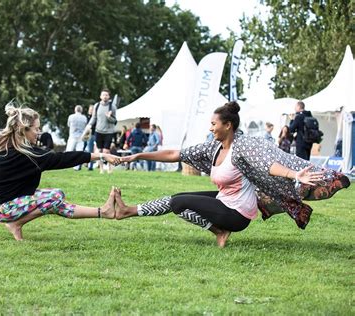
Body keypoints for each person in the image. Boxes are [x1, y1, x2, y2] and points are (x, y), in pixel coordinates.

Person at [117, 101, 350, 247]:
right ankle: (130, 210)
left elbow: (268, 164)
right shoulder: (214, 146)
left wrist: (294, 175)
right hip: (225, 202)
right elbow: (175, 154)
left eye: (213, 124)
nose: (210, 128)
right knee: (177, 199)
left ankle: (220, 230)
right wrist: (137, 156)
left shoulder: (244, 146)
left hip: (237, 214)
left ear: (228, 125)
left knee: (180, 203)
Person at [0, 104, 121, 241]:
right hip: (1, 208)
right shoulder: (29, 155)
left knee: (56, 198)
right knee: (54, 197)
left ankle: (102, 212)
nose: (39, 133)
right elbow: (65, 158)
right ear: (24, 129)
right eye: (36, 129)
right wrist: (101, 156)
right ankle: (16, 224)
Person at [85, 89, 117, 174]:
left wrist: (109, 117)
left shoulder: (112, 107)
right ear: (100, 96)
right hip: (98, 131)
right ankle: (101, 169)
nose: (105, 96)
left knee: (106, 151)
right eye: (103, 95)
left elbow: (115, 121)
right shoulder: (97, 105)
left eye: (106, 95)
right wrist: (89, 125)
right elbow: (94, 118)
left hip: (109, 132)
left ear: (109, 96)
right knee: (99, 151)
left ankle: (110, 168)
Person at [66, 105, 88, 170]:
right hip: (81, 136)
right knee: (79, 152)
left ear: (75, 110)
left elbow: (68, 125)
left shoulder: (71, 116)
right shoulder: (84, 118)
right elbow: (85, 126)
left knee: (69, 150)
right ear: (81, 110)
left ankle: (66, 164)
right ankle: (77, 167)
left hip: (72, 135)